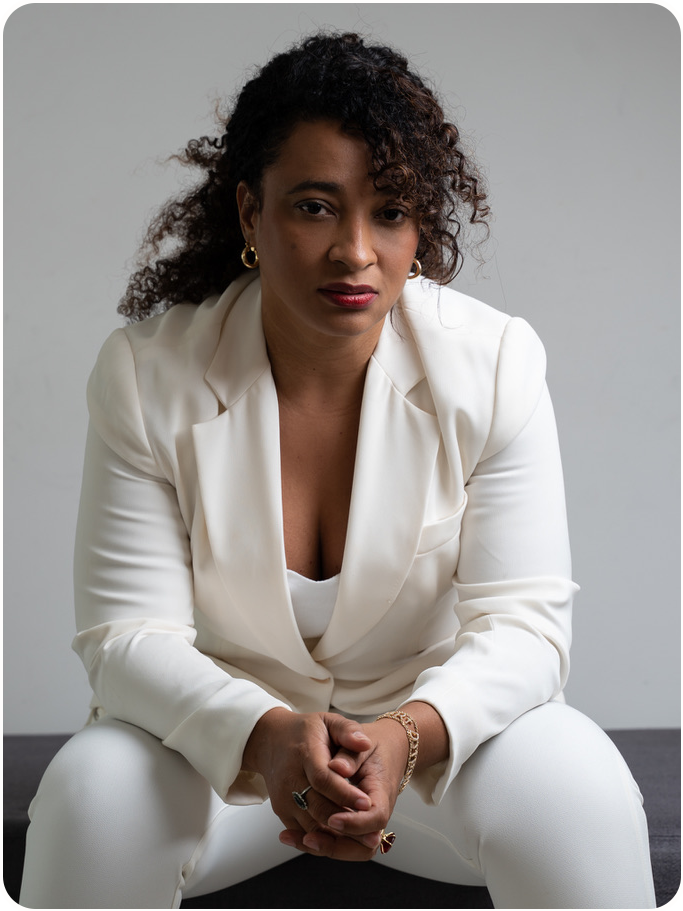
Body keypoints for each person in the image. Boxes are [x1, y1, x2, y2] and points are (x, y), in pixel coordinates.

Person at [20, 32, 656, 909]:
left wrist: (404, 735)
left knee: (576, 788)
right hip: (225, 763)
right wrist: (265, 733)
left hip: (428, 759)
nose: (356, 250)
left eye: (389, 212)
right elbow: (127, 638)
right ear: (251, 212)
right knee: (93, 794)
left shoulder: (492, 363)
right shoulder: (146, 374)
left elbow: (525, 628)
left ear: (418, 226)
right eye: (315, 207)